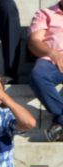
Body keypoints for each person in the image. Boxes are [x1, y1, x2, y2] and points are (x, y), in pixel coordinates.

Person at [27, 2, 63, 143]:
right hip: (51, 60)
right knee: (38, 76)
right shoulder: (45, 14)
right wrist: (52, 53)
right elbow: (34, 42)